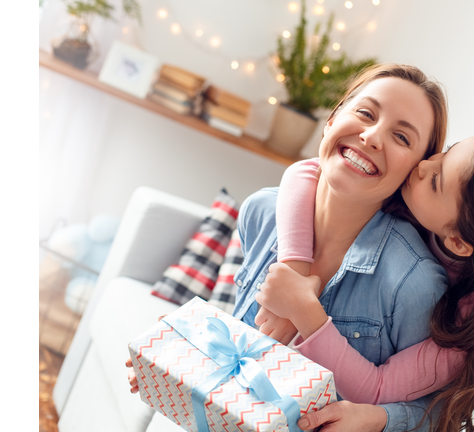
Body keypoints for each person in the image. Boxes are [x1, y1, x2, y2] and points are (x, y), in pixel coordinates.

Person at [128, 63, 451, 432]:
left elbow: (439, 413)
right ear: (331, 120)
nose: (372, 137)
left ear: (414, 172)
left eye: (402, 138)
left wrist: (380, 420)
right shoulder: (261, 212)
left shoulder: (415, 283)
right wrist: (180, 357)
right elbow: (243, 343)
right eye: (365, 113)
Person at [257, 134, 474, 432]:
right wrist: (295, 268)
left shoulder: (470, 323)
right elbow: (307, 170)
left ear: (457, 241)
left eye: (435, 181)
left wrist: (305, 311)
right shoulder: (417, 201)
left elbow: (377, 388)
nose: (425, 165)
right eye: (446, 152)